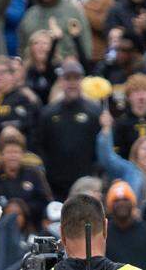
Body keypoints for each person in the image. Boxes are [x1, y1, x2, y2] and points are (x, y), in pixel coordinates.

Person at [36, 61, 102, 199]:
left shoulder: (94, 112)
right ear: (60, 81)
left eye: (76, 78)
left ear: (82, 81)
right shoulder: (48, 113)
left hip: (86, 182)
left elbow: (100, 147)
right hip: (56, 183)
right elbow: (40, 145)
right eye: (67, 78)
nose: (72, 83)